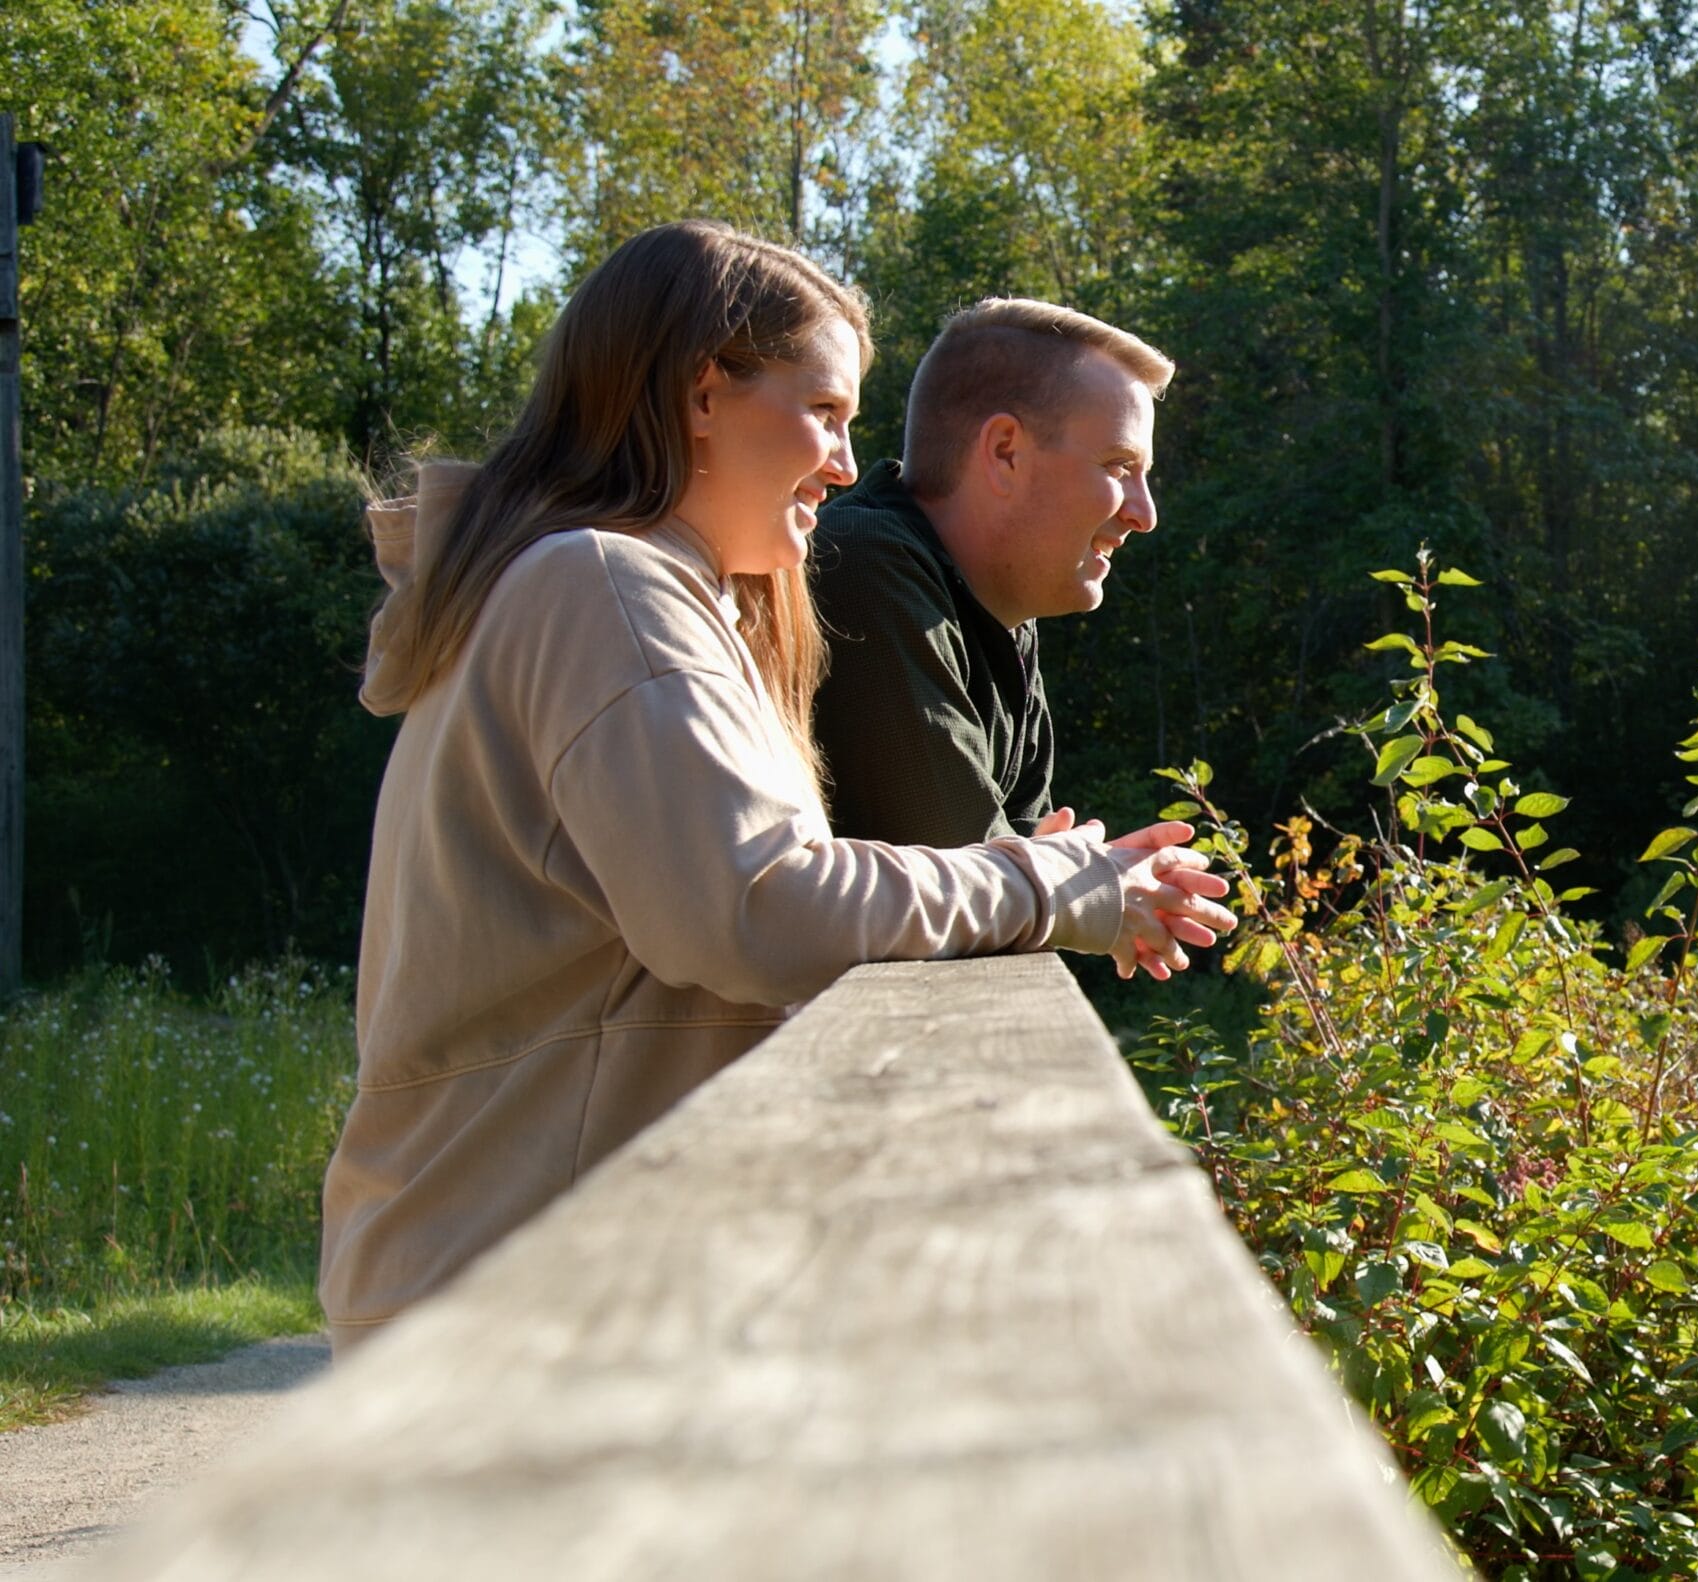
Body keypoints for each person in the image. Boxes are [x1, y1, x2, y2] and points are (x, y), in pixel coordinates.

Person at [320, 222, 1235, 1356]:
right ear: (706, 393)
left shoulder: (616, 589)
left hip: (525, 1264)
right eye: (828, 414)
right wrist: (1048, 883)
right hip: (518, 1282)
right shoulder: (603, 586)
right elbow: (758, 906)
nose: (851, 468)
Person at [806, 298, 1165, 856]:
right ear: (1004, 452)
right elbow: (972, 879)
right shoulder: (858, 563)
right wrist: (1092, 885)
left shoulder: (1003, 618)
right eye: (1119, 467)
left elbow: (1013, 886)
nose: (1145, 514)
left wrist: (1062, 878)